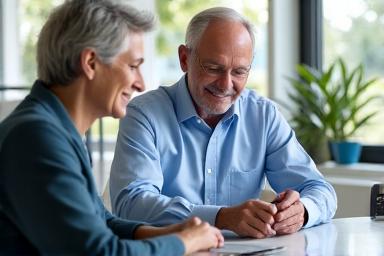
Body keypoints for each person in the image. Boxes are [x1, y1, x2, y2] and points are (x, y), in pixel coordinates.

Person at [0, 1, 224, 255]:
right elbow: (99, 252)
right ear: (91, 63)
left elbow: (99, 221)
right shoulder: (36, 138)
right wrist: (185, 243)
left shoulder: (55, 129)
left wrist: (168, 232)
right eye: (132, 66)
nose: (140, 83)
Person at [110, 6, 337, 239]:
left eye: (239, 72)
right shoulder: (144, 114)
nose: (225, 84)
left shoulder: (263, 115)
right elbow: (131, 204)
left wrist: (303, 211)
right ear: (184, 59)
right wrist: (221, 217)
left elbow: (320, 190)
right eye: (213, 68)